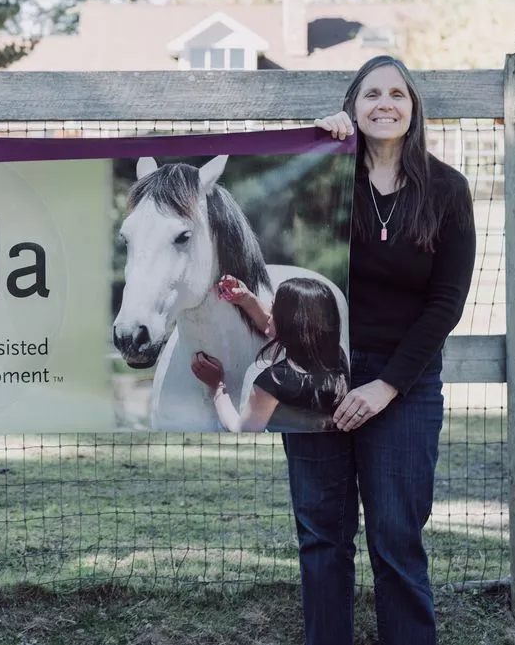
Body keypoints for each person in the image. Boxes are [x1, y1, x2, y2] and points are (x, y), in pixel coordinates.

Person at [284, 54, 475, 645]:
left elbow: (444, 304)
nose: (384, 104)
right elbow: (285, 241)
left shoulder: (446, 189)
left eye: (397, 94)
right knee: (322, 535)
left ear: (413, 108)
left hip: (403, 384)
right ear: (353, 105)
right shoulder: (323, 178)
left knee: (395, 535)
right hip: (317, 376)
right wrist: (315, 148)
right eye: (370, 95)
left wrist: (385, 386)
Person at [191, 276, 350, 433]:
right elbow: (278, 325)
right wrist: (247, 300)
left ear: (289, 322)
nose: (269, 311)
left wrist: (217, 387)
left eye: (273, 307)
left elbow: (241, 429)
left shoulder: (273, 382)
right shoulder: (337, 358)